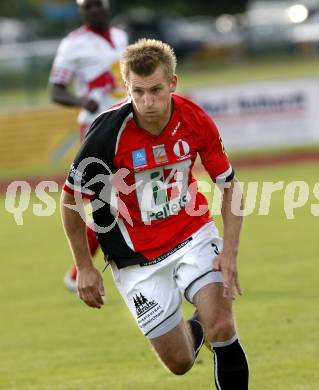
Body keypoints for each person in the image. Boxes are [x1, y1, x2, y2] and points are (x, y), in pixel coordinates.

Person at [60, 38, 249, 388]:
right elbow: (70, 201)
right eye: (139, 92)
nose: (148, 102)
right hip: (135, 259)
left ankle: (211, 325)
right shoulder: (105, 133)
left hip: (192, 236)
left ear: (172, 83)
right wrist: (84, 266)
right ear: (126, 85)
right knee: (179, 362)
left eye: (156, 90)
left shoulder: (194, 119)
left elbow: (230, 186)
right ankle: (198, 328)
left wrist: (230, 253)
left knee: (222, 325)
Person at [49, 0, 128, 292]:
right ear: (81, 11)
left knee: (121, 200)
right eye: (87, 6)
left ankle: (80, 273)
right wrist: (82, 100)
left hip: (128, 123)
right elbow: (55, 90)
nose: (94, 10)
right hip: (97, 128)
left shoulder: (120, 36)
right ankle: (78, 273)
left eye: (98, 4)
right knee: (107, 202)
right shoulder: (73, 44)